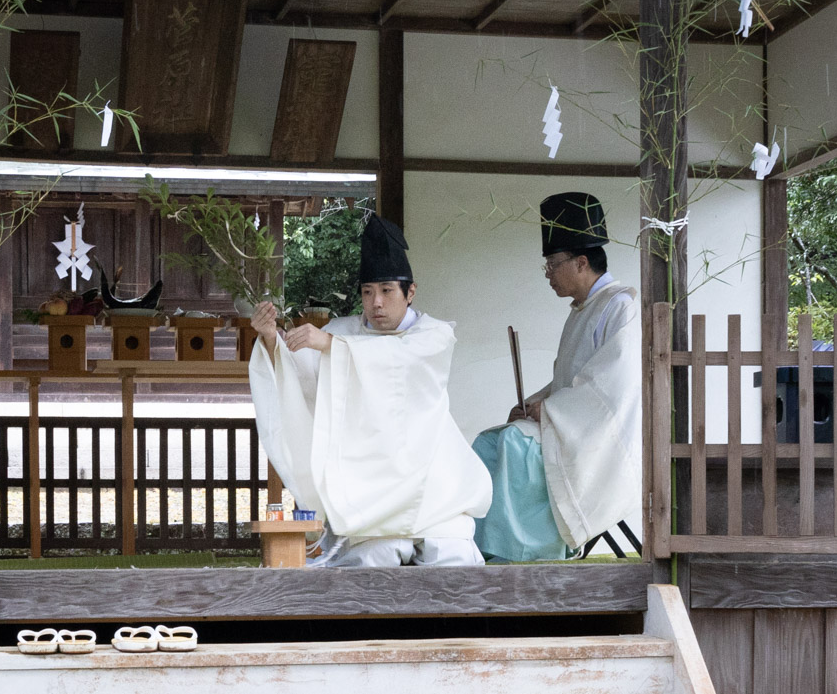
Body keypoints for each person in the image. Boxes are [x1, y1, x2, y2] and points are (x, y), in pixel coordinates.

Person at [248, 214, 492, 568]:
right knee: (373, 561)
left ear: (410, 292)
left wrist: (333, 346)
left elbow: (400, 360)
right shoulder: (341, 332)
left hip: (434, 485)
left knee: (453, 558)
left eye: (387, 291)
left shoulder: (434, 335)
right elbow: (300, 381)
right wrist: (271, 337)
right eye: (367, 292)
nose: (376, 302)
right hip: (371, 491)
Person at [471, 191, 640, 562]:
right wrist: (534, 404)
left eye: (552, 264)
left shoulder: (621, 306)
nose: (548, 274)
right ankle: (480, 550)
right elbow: (569, 381)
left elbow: (609, 388)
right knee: (487, 443)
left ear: (581, 262)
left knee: (515, 443)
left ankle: (522, 552)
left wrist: (546, 410)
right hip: (572, 425)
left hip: (601, 438)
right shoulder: (581, 311)